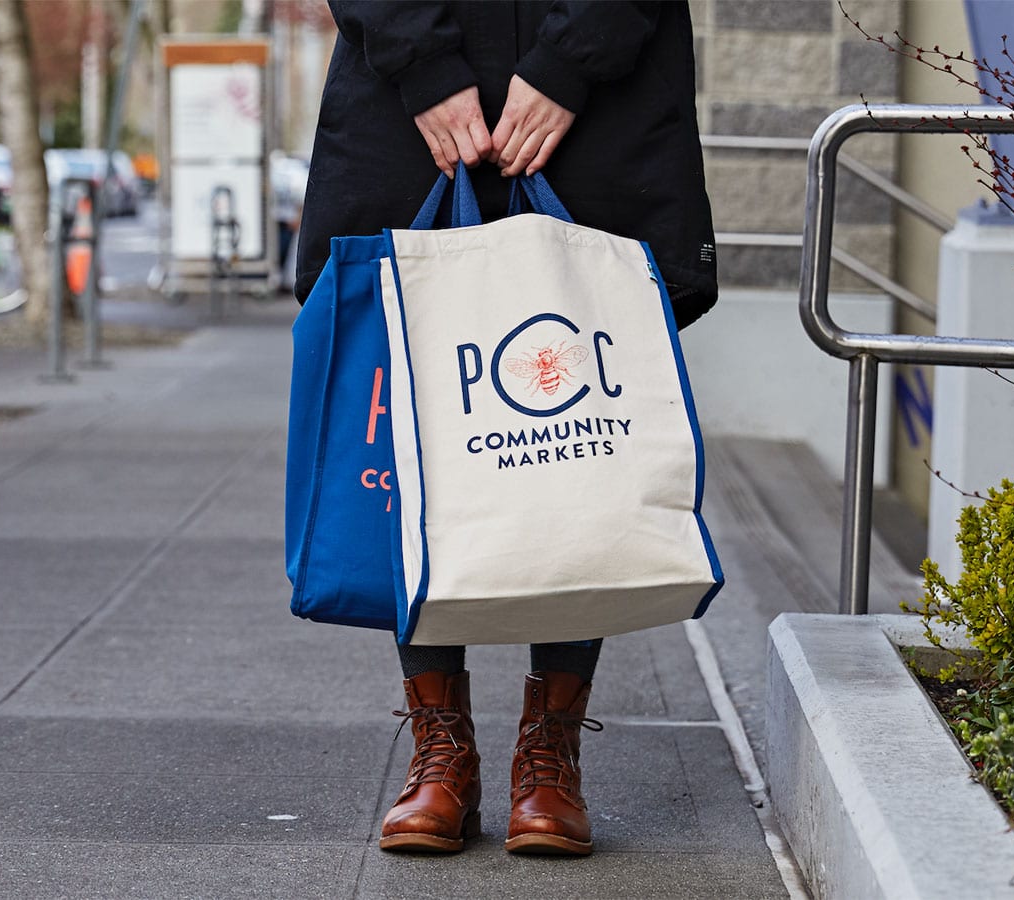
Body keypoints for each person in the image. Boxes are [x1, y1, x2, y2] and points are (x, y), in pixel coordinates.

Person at [294, 1, 717, 857]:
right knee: (413, 424)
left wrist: (571, 62)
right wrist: (424, 66)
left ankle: (549, 752)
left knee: (577, 433)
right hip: (408, 100)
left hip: (602, 98)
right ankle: (440, 751)